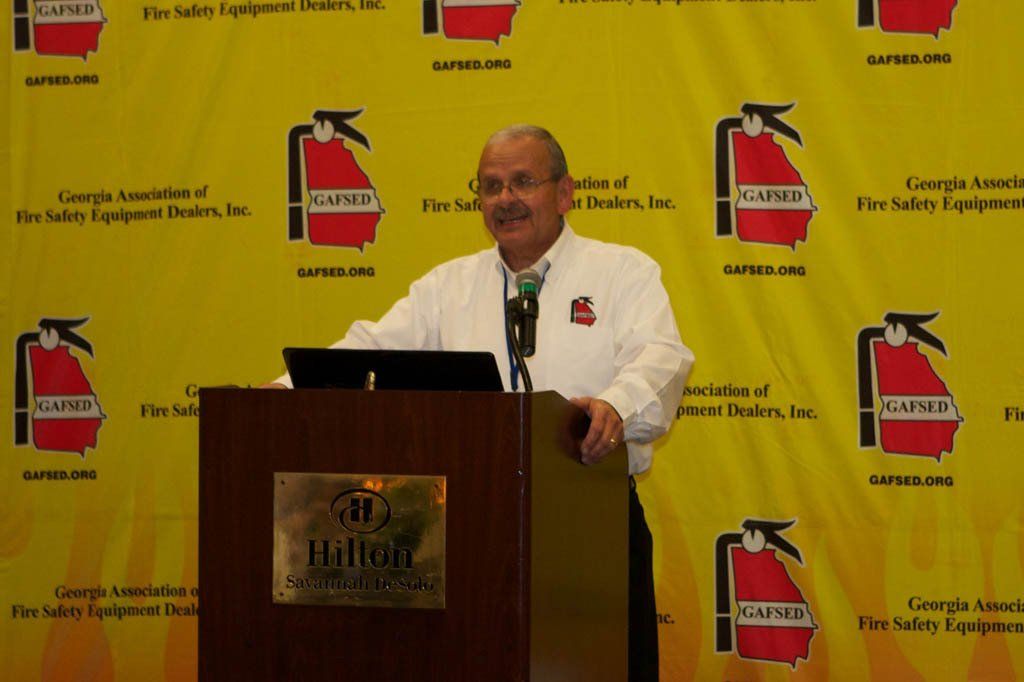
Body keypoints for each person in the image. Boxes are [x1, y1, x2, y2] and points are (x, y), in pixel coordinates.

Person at [268, 124, 694, 681]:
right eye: (490, 186)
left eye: (523, 181)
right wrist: (279, 392)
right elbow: (370, 347)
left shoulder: (622, 272)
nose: (505, 199)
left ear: (565, 193)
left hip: (591, 520)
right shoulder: (448, 287)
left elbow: (661, 357)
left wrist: (616, 406)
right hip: (473, 530)